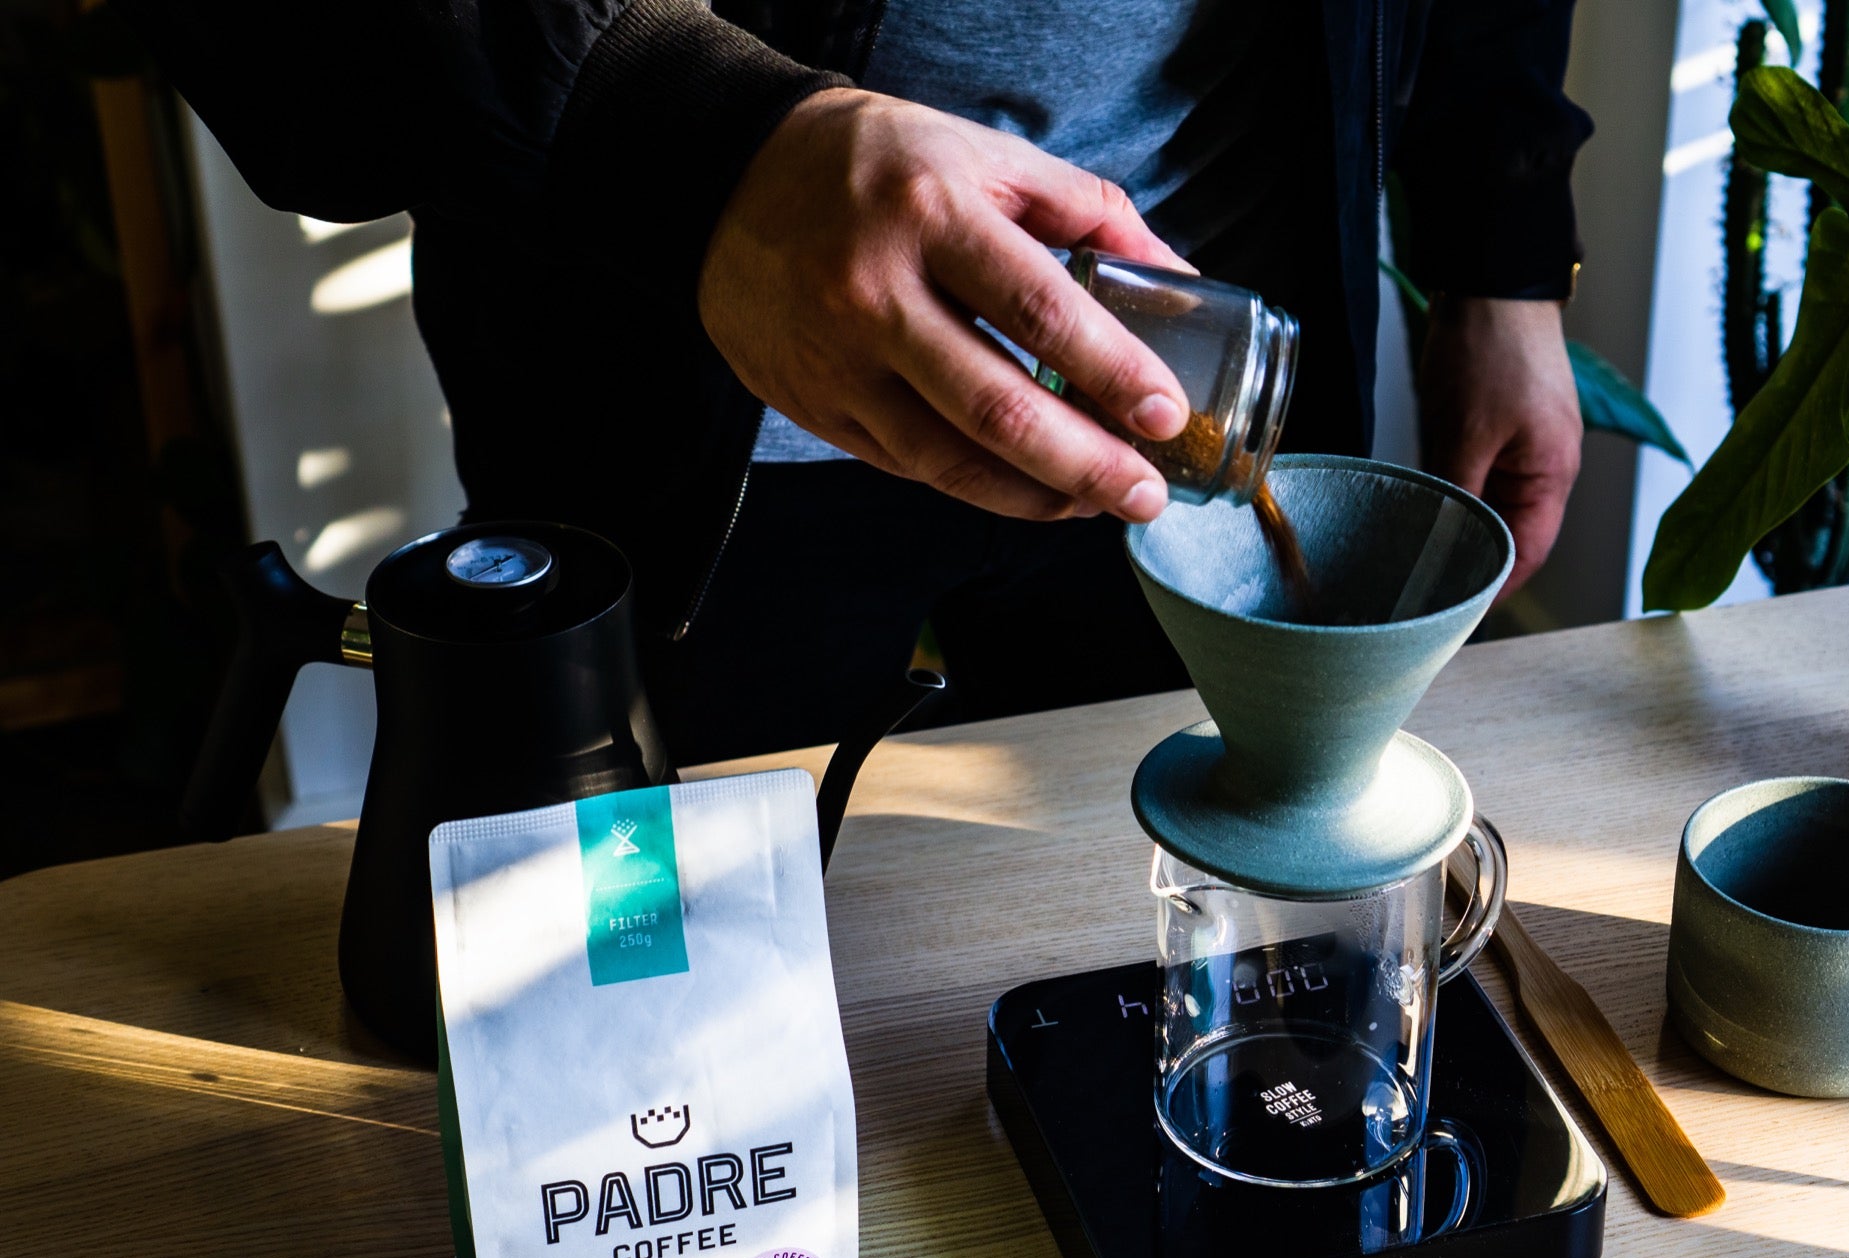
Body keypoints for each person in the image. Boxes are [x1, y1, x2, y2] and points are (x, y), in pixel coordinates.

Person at [122, 0, 1593, 762]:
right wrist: (694, 142)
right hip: (680, 419)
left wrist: (1501, 243)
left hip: (1211, 363)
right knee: (674, 1041)